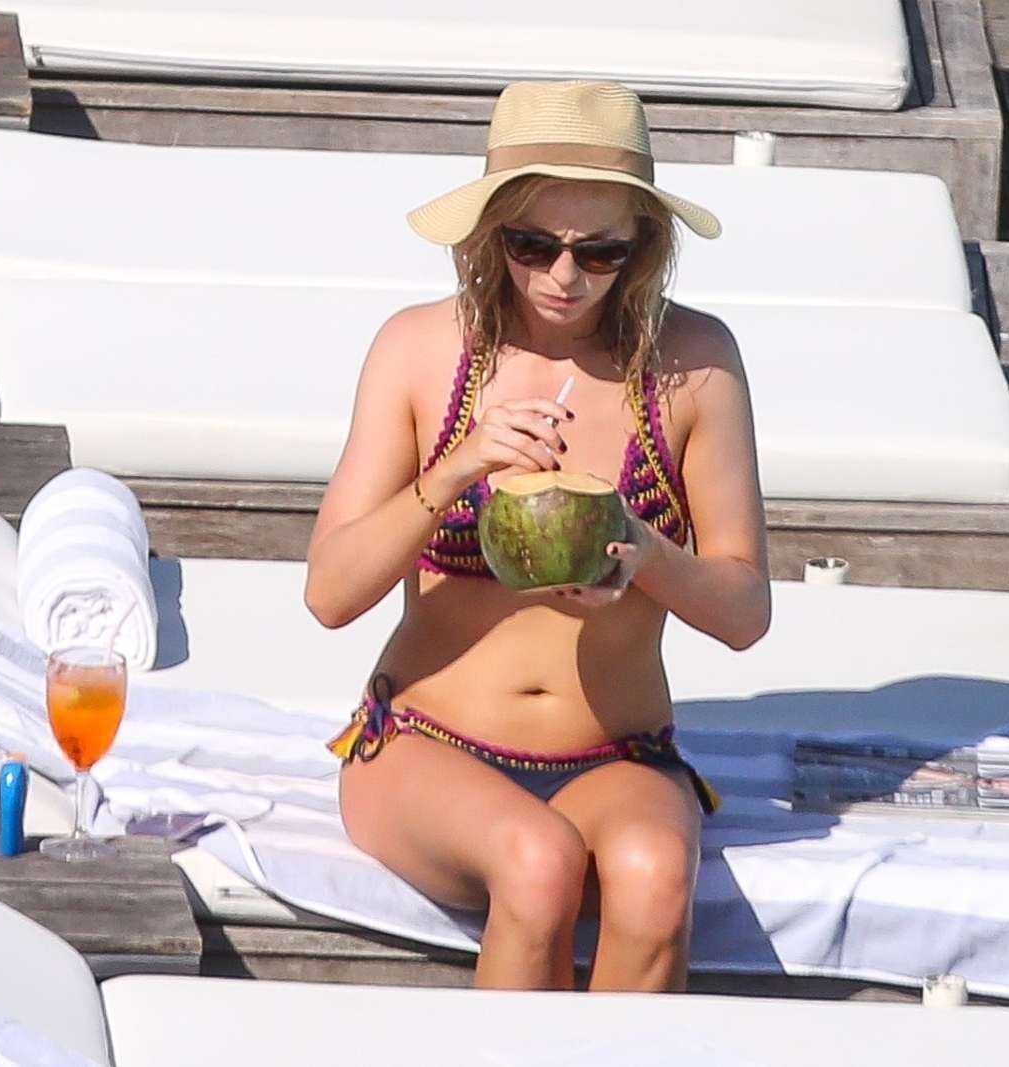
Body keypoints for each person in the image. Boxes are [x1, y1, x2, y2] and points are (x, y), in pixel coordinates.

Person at [304, 80, 770, 992]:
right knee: (539, 860)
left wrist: (647, 553)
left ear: (642, 246)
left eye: (598, 252)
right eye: (533, 246)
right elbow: (329, 591)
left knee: (654, 875)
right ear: (492, 236)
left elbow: (745, 608)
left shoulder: (695, 367)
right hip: (427, 742)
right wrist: (456, 469)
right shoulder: (420, 351)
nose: (564, 276)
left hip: (616, 753)